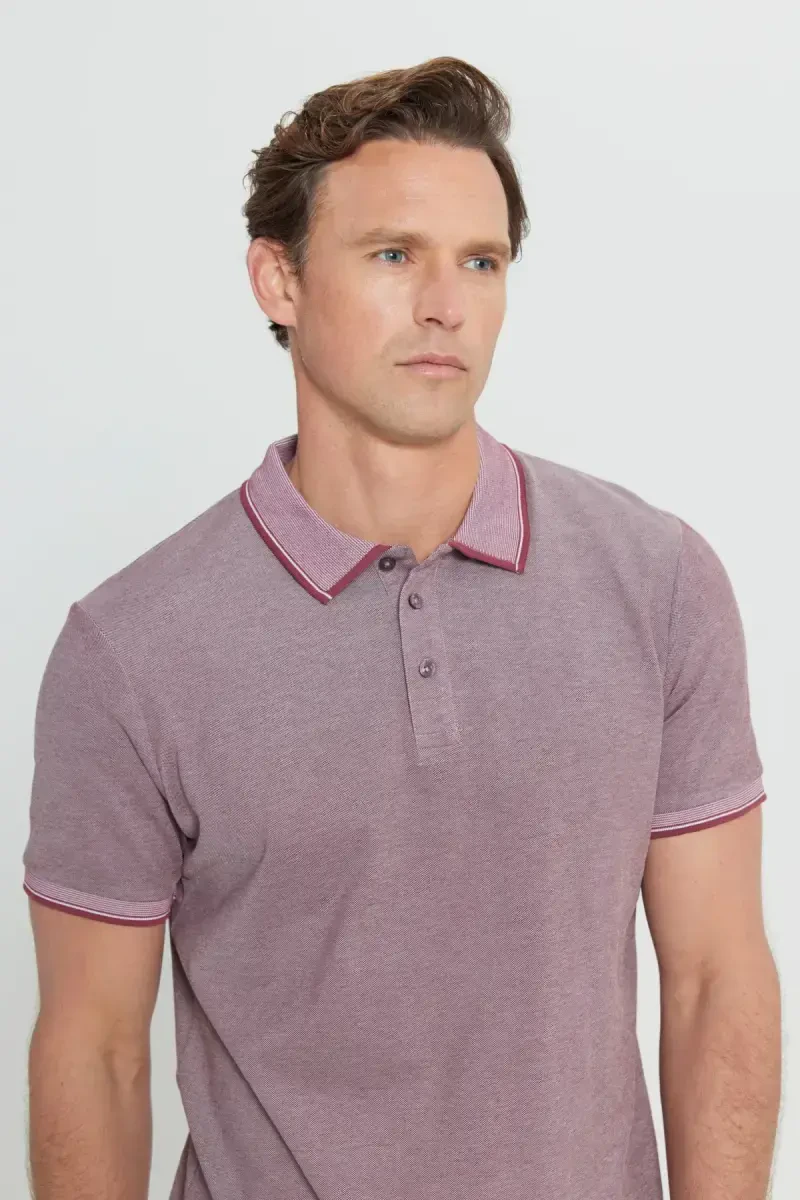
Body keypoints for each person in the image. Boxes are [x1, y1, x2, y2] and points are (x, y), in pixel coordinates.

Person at [22, 55, 781, 1200]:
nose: (444, 305)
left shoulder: (655, 581)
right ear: (278, 279)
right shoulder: (131, 652)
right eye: (392, 255)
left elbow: (715, 978)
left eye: (479, 261)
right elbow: (95, 1054)